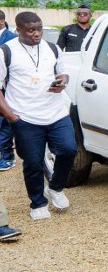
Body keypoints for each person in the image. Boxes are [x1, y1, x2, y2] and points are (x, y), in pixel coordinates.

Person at [0, 12, 75, 219]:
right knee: (32, 162)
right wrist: (12, 117)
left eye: (39, 29)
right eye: (31, 30)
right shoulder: (6, 51)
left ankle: (56, 187)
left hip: (56, 113)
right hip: (25, 117)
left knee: (68, 150)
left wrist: (62, 82)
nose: (36, 34)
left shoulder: (53, 48)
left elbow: (63, 71)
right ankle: (38, 203)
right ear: (19, 30)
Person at [0, 11, 15, 172]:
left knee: (4, 122)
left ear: (2, 21)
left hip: (5, 86)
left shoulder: (11, 39)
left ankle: (7, 156)